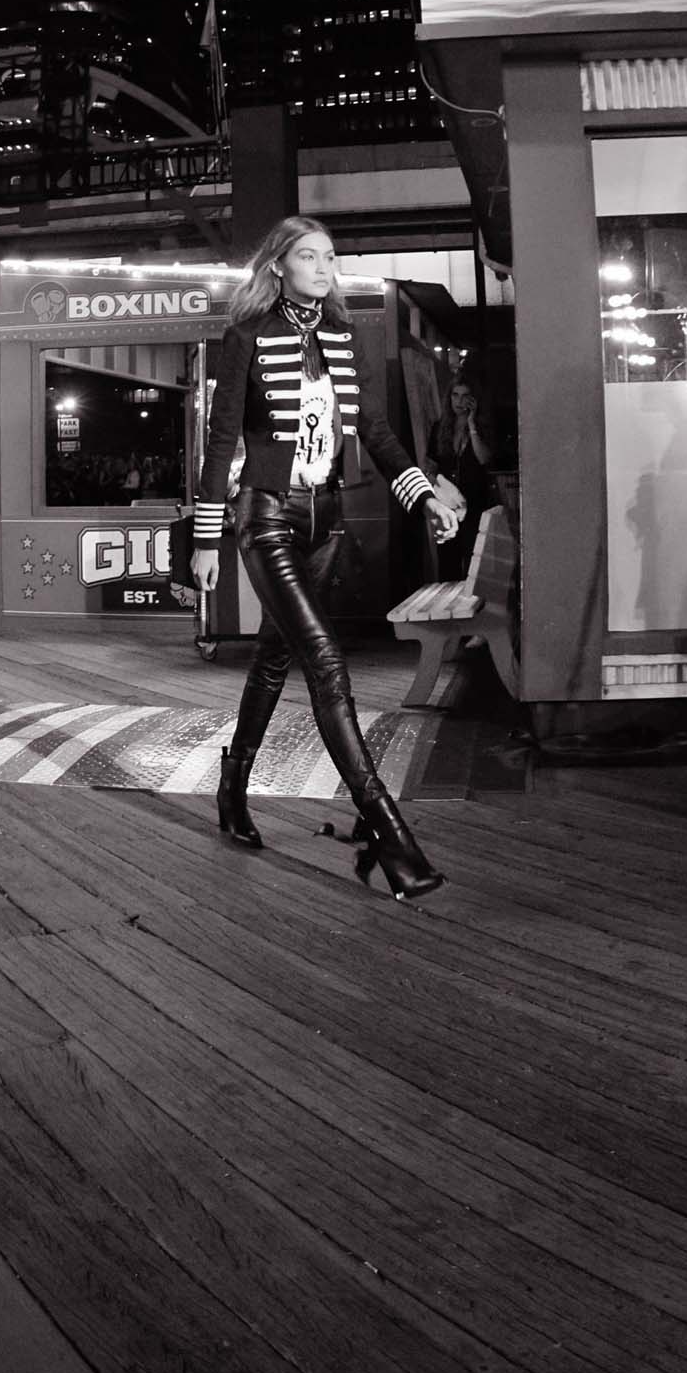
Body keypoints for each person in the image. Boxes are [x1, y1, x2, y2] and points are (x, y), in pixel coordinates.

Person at [193, 215, 463, 895]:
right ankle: (388, 831)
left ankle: (232, 787)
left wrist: (422, 494)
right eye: (309, 255)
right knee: (326, 661)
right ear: (278, 265)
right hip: (267, 516)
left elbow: (373, 429)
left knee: (274, 657)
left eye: (330, 256)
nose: (323, 266)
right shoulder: (247, 335)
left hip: (326, 520)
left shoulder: (344, 337)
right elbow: (222, 439)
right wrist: (204, 539)